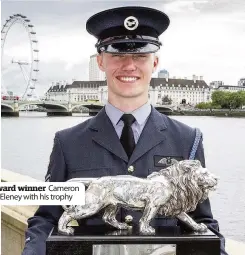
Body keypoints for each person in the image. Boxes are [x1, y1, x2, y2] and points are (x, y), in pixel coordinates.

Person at [22, 6, 228, 255]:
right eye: (118, 55)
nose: (129, 65)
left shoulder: (189, 139)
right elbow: (45, 220)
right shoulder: (67, 142)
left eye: (141, 56)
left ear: (155, 62)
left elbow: (203, 225)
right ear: (101, 61)